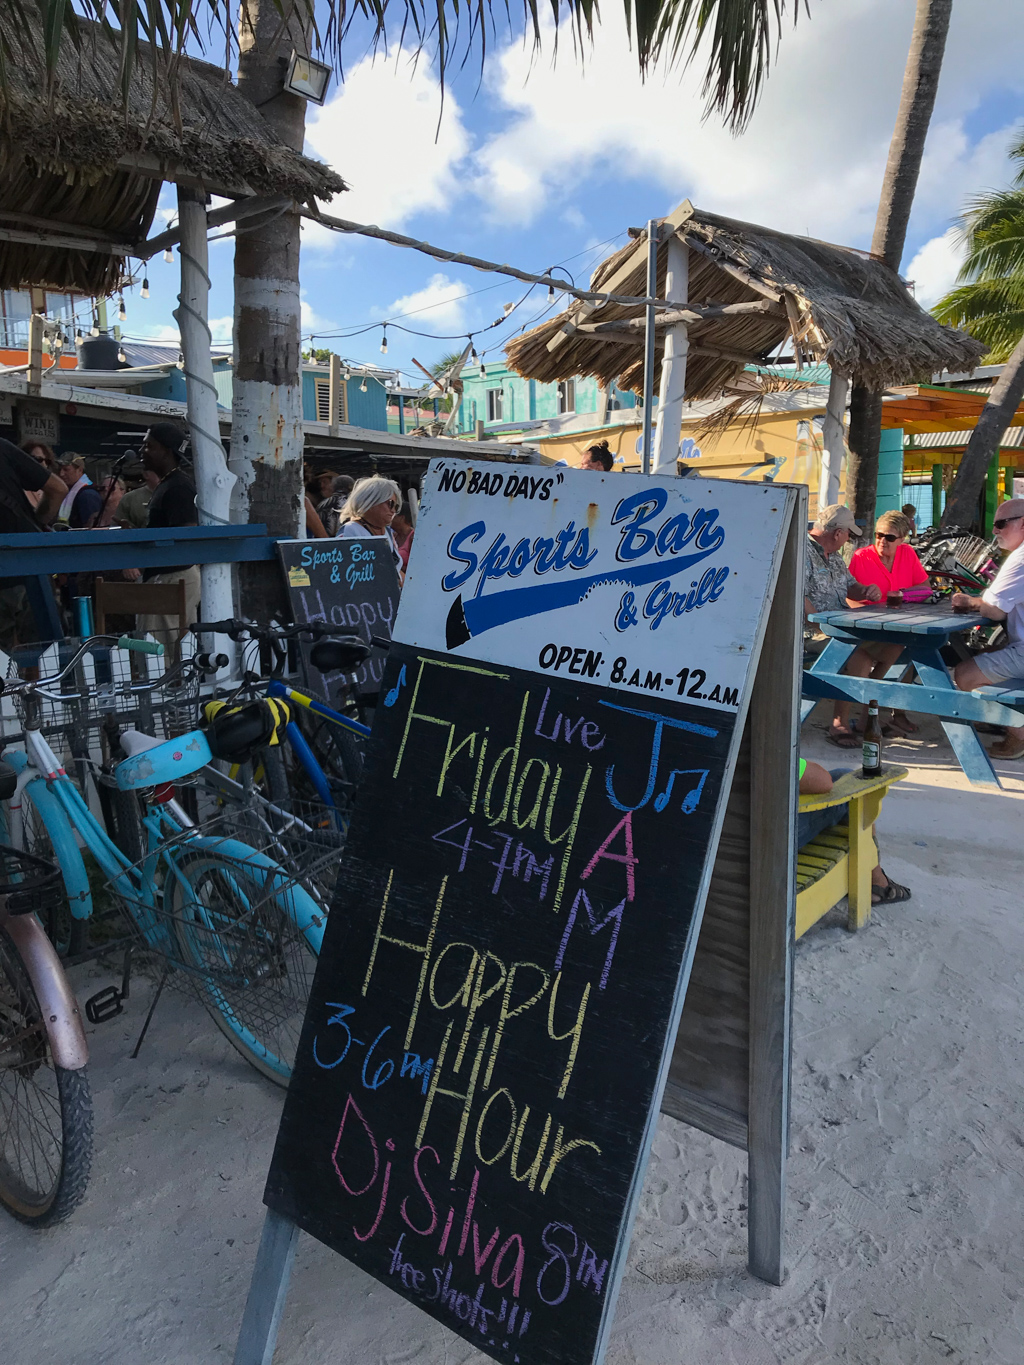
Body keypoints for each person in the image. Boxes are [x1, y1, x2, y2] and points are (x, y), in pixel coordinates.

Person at [804, 505, 884, 746]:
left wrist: (866, 590)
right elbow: (798, 597)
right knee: (860, 658)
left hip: (841, 627)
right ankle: (840, 722)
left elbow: (850, 586)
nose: (849, 539)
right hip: (810, 633)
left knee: (893, 646)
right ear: (838, 533)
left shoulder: (835, 556)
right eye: (848, 534)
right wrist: (821, 626)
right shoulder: (802, 551)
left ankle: (869, 715)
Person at [952, 497, 1024, 760]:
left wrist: (970, 602)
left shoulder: (1020, 558)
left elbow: (994, 610)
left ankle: (1019, 734)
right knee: (987, 653)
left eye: (1001, 524)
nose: (994, 530)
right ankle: (999, 718)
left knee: (964, 674)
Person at [848, 510, 930, 734]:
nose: (882, 540)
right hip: (866, 628)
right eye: (879, 535)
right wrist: (864, 613)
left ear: (902, 539)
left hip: (897, 626)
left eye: (890, 537)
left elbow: (925, 587)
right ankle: (869, 717)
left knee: (907, 648)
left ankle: (887, 714)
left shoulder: (907, 554)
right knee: (898, 650)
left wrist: (903, 594)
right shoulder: (861, 557)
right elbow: (846, 595)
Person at [798, 759, 911, 905]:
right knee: (852, 788)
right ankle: (876, 882)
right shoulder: (772, 752)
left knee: (840, 776)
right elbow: (823, 782)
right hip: (775, 836)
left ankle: (858, 874)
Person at [134, 423, 200, 643]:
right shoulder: (169, 484)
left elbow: (186, 534)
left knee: (161, 650)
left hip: (172, 577)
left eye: (149, 446)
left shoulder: (178, 487)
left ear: (167, 451)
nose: (142, 451)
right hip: (166, 577)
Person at [0, 437, 67, 651]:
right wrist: (36, 525)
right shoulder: (2, 449)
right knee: (45, 655)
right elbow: (58, 489)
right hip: (29, 567)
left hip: (15, 575)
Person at [337, 476, 404, 574]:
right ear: (371, 501)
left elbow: (396, 571)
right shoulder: (350, 530)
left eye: (396, 506)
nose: (393, 510)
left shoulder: (387, 532)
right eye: (390, 504)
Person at [56, 454, 103, 528]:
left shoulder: (88, 495)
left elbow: (91, 529)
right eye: (60, 470)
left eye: (66, 470)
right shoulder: (71, 492)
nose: (61, 474)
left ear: (80, 470)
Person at [392, 501, 415, 570]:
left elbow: (416, 565)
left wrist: (397, 568)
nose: (391, 518)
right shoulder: (393, 536)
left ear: (401, 518)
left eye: (394, 515)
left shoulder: (413, 538)